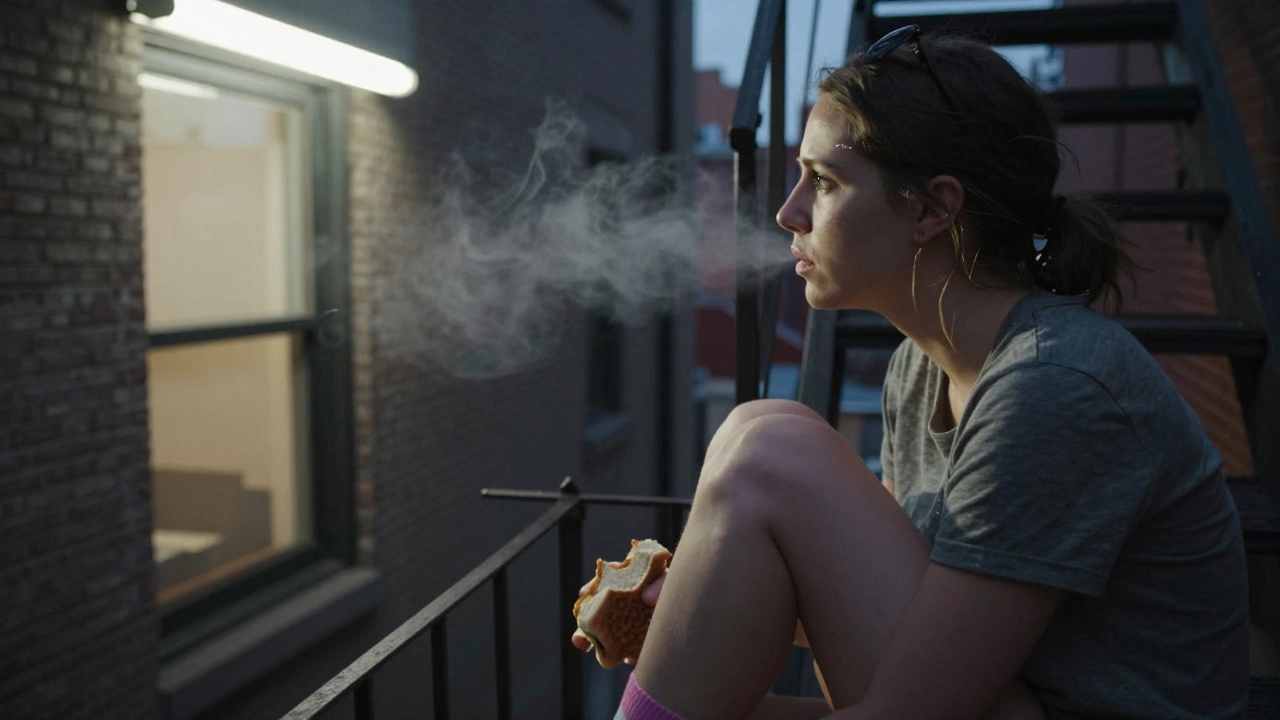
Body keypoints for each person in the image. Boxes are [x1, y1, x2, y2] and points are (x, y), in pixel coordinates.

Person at [574, 25, 1250, 720]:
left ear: (932, 208)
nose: (788, 212)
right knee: (767, 444)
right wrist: (694, 618)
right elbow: (910, 638)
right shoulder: (917, 371)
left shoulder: (1053, 388)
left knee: (769, 446)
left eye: (826, 182)